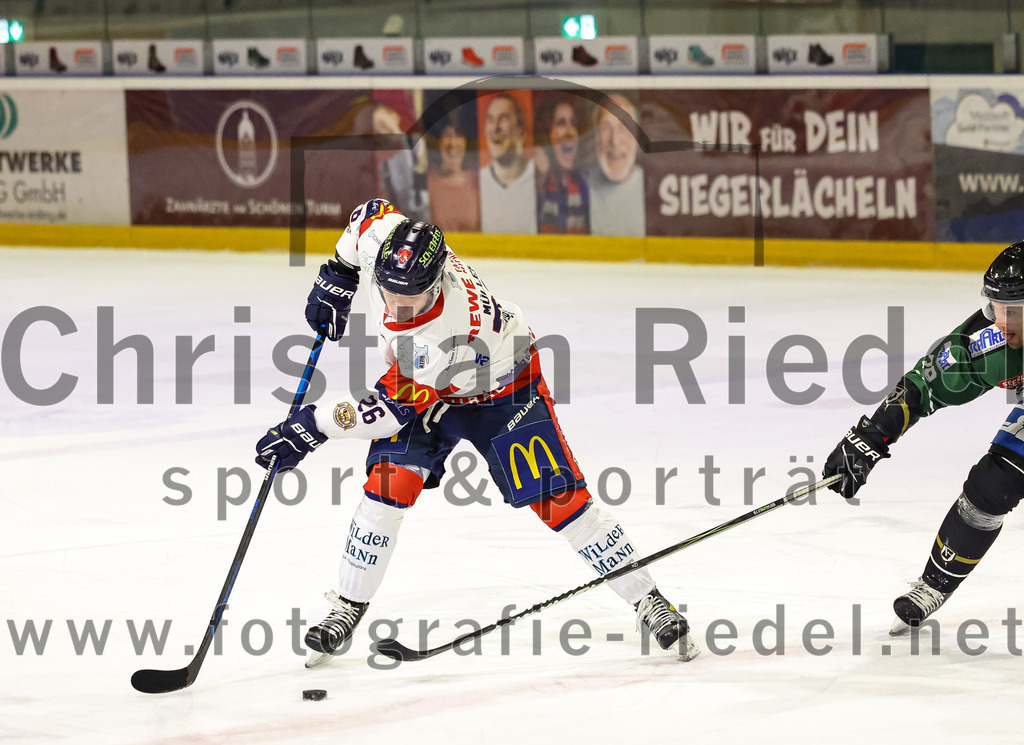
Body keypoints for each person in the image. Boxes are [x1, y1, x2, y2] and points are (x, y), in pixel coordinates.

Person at [255, 198, 698, 665]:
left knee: (560, 501)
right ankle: (347, 604)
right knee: (388, 486)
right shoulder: (383, 239)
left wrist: (311, 426)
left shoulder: (440, 337)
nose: (399, 311)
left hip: (502, 388)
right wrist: (340, 274)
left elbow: (385, 414)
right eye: (389, 296)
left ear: (438, 279)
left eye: (414, 302)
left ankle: (648, 599)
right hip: (430, 389)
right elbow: (368, 212)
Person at [823, 242, 1024, 634]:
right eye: (995, 309)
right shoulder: (999, 341)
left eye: (1013, 310)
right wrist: (874, 435)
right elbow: (927, 384)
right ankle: (935, 583)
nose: (1000, 322)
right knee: (993, 483)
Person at [586, 93, 645, 237]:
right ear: (595, 137)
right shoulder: (580, 186)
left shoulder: (654, 187)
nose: (615, 141)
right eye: (606, 128)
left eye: (624, 127)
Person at [479, 93, 537, 235]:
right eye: (490, 120)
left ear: (520, 128)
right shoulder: (477, 181)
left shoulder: (539, 178)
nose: (495, 127)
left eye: (503, 119)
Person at [535, 95, 589, 234]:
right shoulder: (535, 181)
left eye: (573, 123)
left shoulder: (586, 182)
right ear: (546, 134)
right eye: (561, 123)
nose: (570, 132)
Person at [427, 116, 480, 232]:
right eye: (447, 136)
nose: (453, 143)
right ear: (438, 143)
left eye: (458, 136)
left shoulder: (477, 181)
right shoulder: (428, 184)